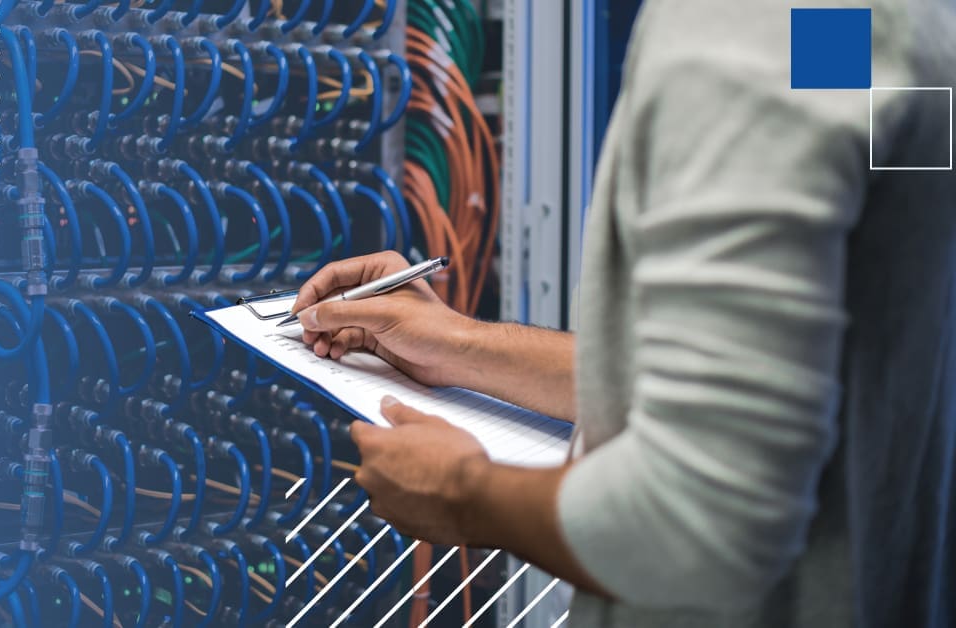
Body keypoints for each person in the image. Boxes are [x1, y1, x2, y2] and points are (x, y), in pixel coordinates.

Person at [288, 1, 956, 626]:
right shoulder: (881, 27)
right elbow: (790, 369)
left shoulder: (746, 35)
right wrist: (460, 344)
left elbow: (699, 525)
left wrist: (462, 494)